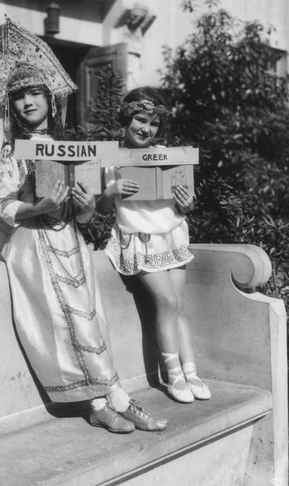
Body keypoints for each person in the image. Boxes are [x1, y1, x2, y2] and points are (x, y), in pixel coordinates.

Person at [0, 18, 167, 433]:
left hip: (72, 242)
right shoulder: (12, 150)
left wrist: (85, 204)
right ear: (12, 105)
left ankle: (117, 397)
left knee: (91, 318)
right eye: (19, 96)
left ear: (49, 97)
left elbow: (86, 212)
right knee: (64, 322)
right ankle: (100, 402)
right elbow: (6, 206)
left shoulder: (71, 146)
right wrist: (38, 205)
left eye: (34, 93)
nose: (27, 102)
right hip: (34, 247)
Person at [96, 87, 211, 403]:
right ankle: (173, 376)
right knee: (167, 302)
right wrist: (112, 190)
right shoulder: (111, 159)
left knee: (179, 307)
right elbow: (101, 211)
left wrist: (187, 204)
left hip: (172, 236)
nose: (145, 129)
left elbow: (183, 204)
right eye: (139, 120)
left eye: (153, 123)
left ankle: (191, 372)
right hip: (140, 240)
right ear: (126, 118)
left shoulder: (169, 156)